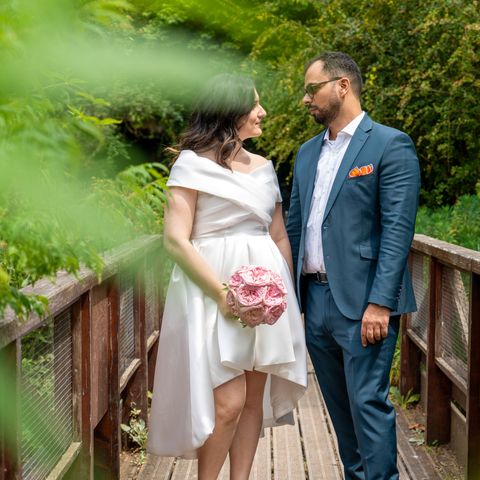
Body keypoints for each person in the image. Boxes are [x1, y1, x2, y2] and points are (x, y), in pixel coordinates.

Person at [147, 74, 307, 479]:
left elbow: (278, 236)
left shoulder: (266, 168)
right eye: (254, 105)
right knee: (228, 403)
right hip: (210, 290)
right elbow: (175, 240)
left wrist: (284, 298)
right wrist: (222, 295)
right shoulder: (191, 164)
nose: (262, 112)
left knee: (253, 400)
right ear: (229, 112)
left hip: (264, 292)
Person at [286, 52, 420, 480]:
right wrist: (287, 298)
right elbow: (293, 227)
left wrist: (381, 303)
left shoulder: (389, 144)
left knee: (368, 404)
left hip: (364, 303)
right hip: (316, 300)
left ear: (342, 86)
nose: (305, 99)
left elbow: (397, 231)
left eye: (312, 89)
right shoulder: (306, 154)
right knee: (340, 411)